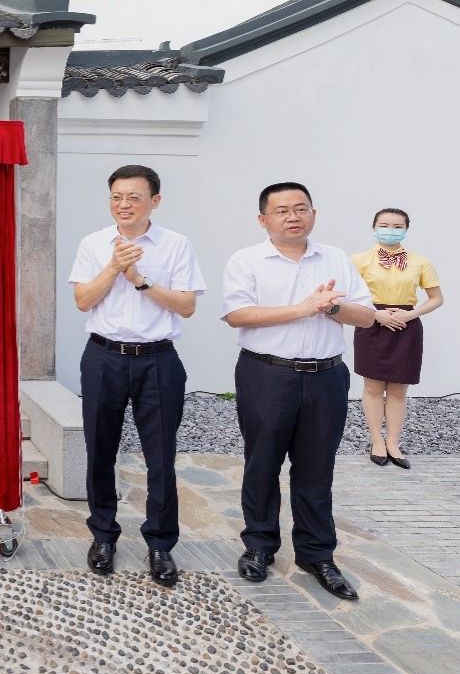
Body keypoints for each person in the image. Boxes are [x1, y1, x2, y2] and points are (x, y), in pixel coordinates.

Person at [222, 182, 375, 600]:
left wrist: (333, 307)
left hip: (327, 376)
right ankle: (259, 546)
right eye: (282, 210)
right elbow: (237, 314)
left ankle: (316, 554)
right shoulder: (246, 260)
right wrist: (303, 309)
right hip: (267, 374)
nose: (293, 216)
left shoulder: (336, 258)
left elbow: (366, 317)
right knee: (262, 462)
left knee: (316, 468)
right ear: (263, 219)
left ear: (313, 213)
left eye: (301, 208)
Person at [69, 164, 205, 587]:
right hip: (103, 357)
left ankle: (160, 543)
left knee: (160, 455)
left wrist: (140, 280)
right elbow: (83, 300)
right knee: (100, 449)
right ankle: (103, 535)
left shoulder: (175, 244)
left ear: (154, 201)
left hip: (157, 360)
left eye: (133, 197)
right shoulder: (93, 243)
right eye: (116, 197)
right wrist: (113, 268)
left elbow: (186, 306)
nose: (123, 205)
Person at [351, 208, 443, 470]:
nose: (390, 230)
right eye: (384, 225)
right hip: (372, 323)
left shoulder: (420, 262)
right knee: (372, 387)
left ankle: (393, 442)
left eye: (397, 226)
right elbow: (348, 296)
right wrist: (376, 314)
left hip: (406, 326)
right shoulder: (358, 260)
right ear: (374, 227)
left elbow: (437, 298)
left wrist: (410, 314)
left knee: (399, 389)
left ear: (406, 229)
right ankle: (376, 441)